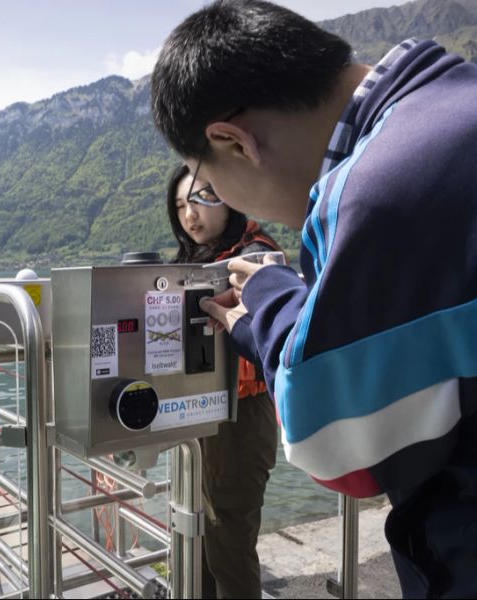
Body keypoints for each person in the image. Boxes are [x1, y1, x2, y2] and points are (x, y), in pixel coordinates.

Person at [151, 1, 477, 597]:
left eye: (205, 181)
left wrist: (271, 305)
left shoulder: (380, 187)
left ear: (233, 140)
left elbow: (344, 453)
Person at [167, 163, 279, 599]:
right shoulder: (198, 261)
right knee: (196, 536)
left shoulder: (255, 255)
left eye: (198, 199)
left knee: (228, 541)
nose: (189, 214)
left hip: (241, 415)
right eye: (179, 205)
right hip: (198, 412)